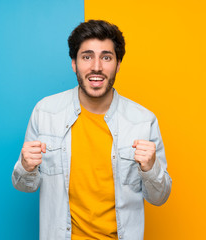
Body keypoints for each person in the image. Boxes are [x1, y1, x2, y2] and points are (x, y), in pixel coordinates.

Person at [12, 19, 172, 240]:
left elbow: (159, 197)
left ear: (117, 64)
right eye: (87, 56)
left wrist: (151, 168)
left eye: (106, 57)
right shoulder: (45, 112)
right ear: (74, 64)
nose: (96, 66)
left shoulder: (143, 121)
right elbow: (24, 186)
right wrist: (26, 167)